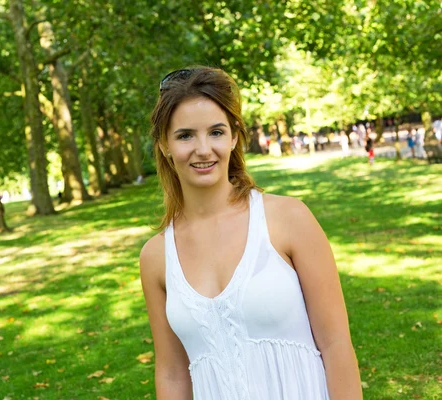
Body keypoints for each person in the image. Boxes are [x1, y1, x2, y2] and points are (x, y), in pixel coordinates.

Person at [140, 67, 362, 400]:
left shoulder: (288, 219)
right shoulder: (156, 256)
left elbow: (336, 344)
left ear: (233, 136)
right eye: (185, 135)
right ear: (164, 144)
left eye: (216, 132)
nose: (203, 149)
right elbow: (172, 375)